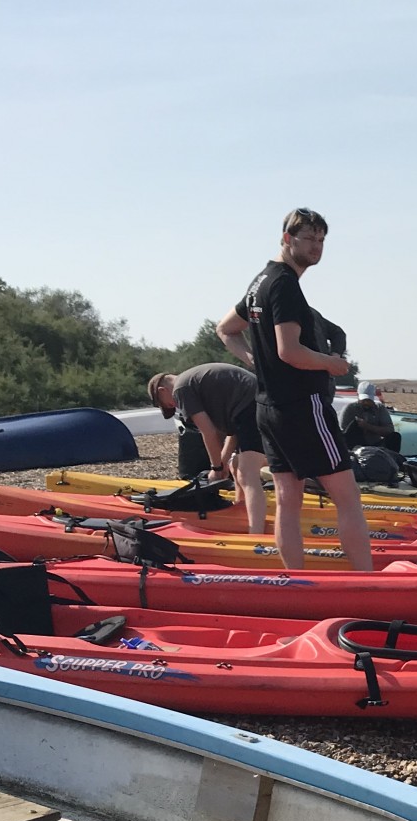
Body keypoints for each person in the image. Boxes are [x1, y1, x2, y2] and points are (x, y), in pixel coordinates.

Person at [214, 208, 372, 570]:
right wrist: (331, 363)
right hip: (303, 406)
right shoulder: (284, 284)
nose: (316, 247)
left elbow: (226, 328)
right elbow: (291, 351)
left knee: (288, 499)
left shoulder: (260, 281)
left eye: (321, 240)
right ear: (287, 239)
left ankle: (297, 578)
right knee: (347, 498)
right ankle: (366, 579)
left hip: (268, 407)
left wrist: (254, 360)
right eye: (309, 239)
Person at [147, 363, 267, 533]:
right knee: (236, 465)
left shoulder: (181, 389)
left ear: (162, 390)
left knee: (247, 473)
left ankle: (256, 534)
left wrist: (216, 468)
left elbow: (208, 432)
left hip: (255, 405)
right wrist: (223, 463)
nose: (174, 407)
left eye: (167, 405)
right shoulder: (201, 386)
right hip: (253, 405)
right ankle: (241, 514)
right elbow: (232, 434)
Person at [338, 382, 401, 454]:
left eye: (369, 400)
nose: (366, 403)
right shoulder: (350, 409)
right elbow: (343, 434)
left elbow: (389, 430)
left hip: (376, 444)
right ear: (358, 395)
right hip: (355, 446)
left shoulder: (379, 408)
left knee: (395, 437)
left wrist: (368, 426)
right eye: (364, 400)